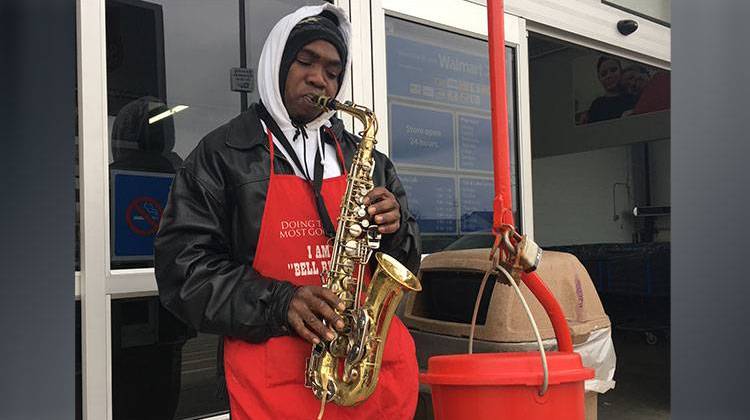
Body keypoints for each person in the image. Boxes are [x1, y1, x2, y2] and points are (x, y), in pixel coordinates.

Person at [154, 4, 421, 420]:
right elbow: (183, 272)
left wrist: (396, 228)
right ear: (278, 62)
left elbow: (405, 266)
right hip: (274, 388)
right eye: (306, 61)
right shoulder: (220, 155)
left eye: (333, 71)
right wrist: (280, 302)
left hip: (370, 379)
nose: (319, 78)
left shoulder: (368, 159)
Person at [585, 55, 637, 123]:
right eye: (604, 74)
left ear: (621, 71)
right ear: (599, 79)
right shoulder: (597, 105)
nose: (609, 76)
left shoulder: (633, 98)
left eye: (613, 70)